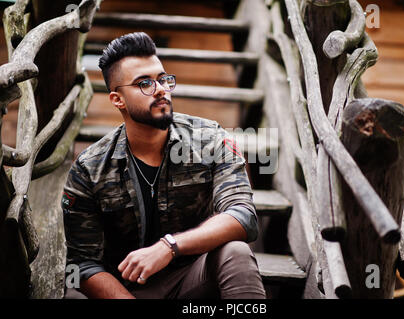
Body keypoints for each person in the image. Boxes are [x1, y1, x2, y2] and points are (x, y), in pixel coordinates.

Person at [62, 32, 266, 299]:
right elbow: (81, 264)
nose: (160, 89)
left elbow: (243, 215)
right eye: (144, 83)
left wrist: (169, 246)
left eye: (163, 79)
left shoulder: (210, 140)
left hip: (192, 279)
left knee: (235, 251)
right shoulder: (90, 169)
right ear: (117, 99)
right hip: (126, 290)